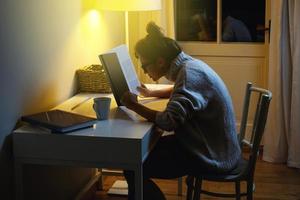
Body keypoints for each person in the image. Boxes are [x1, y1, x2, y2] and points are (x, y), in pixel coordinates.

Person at [120, 21, 241, 200]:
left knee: (132, 165)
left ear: (160, 61)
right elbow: (183, 89)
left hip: (211, 156)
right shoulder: (190, 66)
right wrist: (153, 91)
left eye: (145, 66)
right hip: (217, 146)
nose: (144, 71)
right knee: (139, 155)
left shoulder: (189, 76)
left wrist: (134, 106)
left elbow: (169, 121)